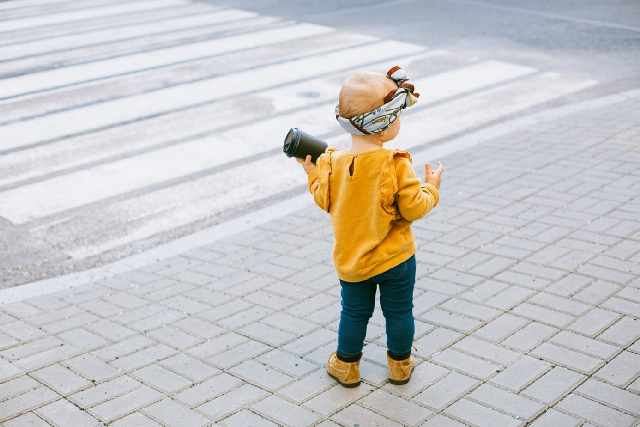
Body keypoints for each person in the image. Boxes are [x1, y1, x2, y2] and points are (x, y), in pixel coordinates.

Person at [296, 66, 444, 387]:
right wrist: (431, 187)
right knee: (400, 312)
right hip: (396, 259)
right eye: (396, 117)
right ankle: (400, 366)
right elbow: (413, 207)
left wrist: (311, 173)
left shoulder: (333, 163)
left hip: (354, 261)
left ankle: (347, 367)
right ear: (382, 126)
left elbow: (324, 199)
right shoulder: (394, 163)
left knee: (353, 314)